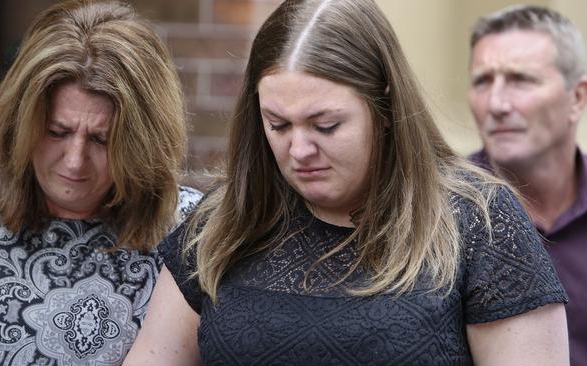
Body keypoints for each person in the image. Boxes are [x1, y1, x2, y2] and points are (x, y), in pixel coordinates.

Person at [125, 0, 569, 365]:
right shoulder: (222, 222)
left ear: (386, 105)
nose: (299, 150)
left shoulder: (481, 223)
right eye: (278, 125)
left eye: (326, 125)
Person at [0, 1, 202, 365]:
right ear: (20, 122)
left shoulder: (189, 231)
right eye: (56, 132)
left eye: (102, 140)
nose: (75, 161)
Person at [467, 5, 587, 365]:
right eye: (482, 81)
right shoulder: (441, 211)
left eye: (521, 79)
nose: (497, 104)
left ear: (577, 97)